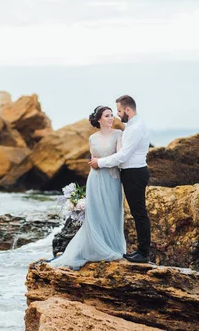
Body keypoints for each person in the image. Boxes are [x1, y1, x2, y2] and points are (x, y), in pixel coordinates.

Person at [48, 106, 126, 270]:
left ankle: (113, 247)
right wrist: (95, 164)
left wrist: (101, 162)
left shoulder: (118, 134)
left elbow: (120, 158)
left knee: (112, 212)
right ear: (99, 119)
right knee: (95, 214)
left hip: (112, 178)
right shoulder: (92, 138)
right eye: (107, 116)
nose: (111, 118)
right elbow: (93, 159)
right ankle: (96, 248)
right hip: (95, 179)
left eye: (112, 115)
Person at [89, 95, 151, 263]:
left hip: (135, 173)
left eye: (118, 111)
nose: (117, 115)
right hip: (131, 173)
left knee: (139, 214)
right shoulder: (131, 126)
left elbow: (123, 155)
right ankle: (140, 251)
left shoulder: (136, 127)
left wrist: (100, 162)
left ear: (127, 110)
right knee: (137, 213)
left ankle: (143, 253)